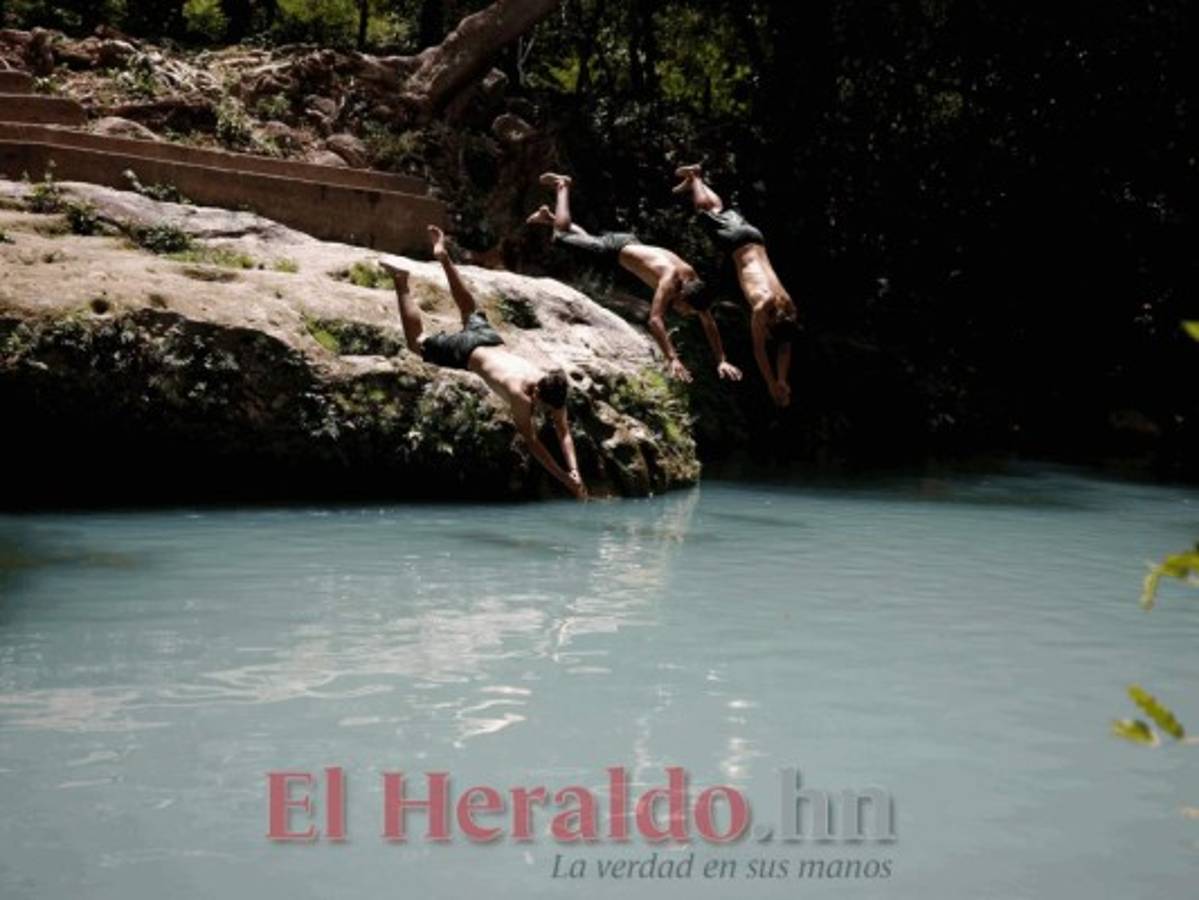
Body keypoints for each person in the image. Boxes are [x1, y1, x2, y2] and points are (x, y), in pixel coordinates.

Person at [381, 225, 587, 500]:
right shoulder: (520, 396)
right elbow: (533, 443)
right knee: (416, 342)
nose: (544, 411)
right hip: (469, 351)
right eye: (543, 406)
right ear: (536, 393)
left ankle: (443, 255)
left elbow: (563, 430)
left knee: (470, 310)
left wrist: (575, 470)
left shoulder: (550, 384)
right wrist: (564, 479)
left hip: (490, 338)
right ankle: (400, 281)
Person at [526, 173, 742, 385]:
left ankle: (549, 218)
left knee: (585, 243)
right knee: (561, 237)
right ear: (682, 295)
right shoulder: (671, 280)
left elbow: (708, 321)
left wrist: (721, 360)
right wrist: (672, 358)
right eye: (687, 310)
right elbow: (655, 320)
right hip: (616, 248)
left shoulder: (695, 285)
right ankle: (562, 186)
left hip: (632, 247)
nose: (686, 313)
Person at [672, 163, 799, 408]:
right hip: (736, 244)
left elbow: (785, 346)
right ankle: (696, 176)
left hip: (755, 238)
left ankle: (695, 183)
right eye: (769, 330)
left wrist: (783, 379)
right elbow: (759, 350)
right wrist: (771, 383)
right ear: (772, 323)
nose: (767, 332)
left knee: (717, 209)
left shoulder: (789, 308)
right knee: (702, 211)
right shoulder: (763, 306)